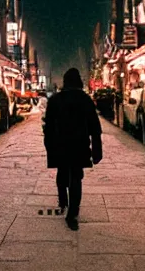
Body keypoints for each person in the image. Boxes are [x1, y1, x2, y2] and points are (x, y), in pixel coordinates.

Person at [43, 68, 102, 231]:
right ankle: (72, 213)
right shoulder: (85, 100)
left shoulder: (55, 100)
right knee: (76, 178)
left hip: (60, 145)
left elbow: (48, 127)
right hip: (79, 145)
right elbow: (95, 128)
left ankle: (63, 200)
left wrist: (48, 145)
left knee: (62, 172)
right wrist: (97, 150)